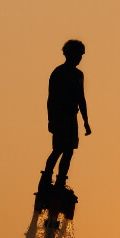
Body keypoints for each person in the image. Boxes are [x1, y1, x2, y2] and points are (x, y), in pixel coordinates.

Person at [42, 39, 91, 187]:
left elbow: (81, 98)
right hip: (59, 118)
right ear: (69, 54)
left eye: (81, 55)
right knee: (58, 150)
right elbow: (51, 99)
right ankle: (46, 178)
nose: (79, 58)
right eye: (78, 55)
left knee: (69, 151)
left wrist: (85, 121)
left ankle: (61, 181)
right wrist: (51, 120)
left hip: (71, 118)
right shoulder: (59, 73)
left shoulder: (79, 75)